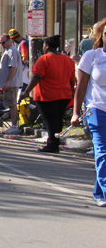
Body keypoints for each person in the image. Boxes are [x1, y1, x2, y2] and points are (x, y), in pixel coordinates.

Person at [20, 35, 75, 153]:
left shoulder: (44, 59)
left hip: (47, 95)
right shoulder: (67, 59)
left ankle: (52, 144)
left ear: (47, 46)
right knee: (58, 119)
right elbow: (72, 79)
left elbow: (37, 77)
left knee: (50, 120)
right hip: (64, 94)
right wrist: (72, 92)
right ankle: (56, 142)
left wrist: (26, 91)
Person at [71, 18, 106, 206]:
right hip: (96, 109)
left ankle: (99, 192)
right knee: (102, 151)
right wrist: (76, 112)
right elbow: (81, 87)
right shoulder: (92, 56)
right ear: (101, 36)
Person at [0, 33, 25, 135]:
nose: (2, 45)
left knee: (12, 104)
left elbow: (13, 68)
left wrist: (8, 82)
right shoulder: (8, 51)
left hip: (11, 83)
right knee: (9, 104)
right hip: (8, 83)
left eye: (3, 42)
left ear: (9, 40)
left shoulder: (12, 51)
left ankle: (14, 126)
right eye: (0, 43)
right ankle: (12, 125)